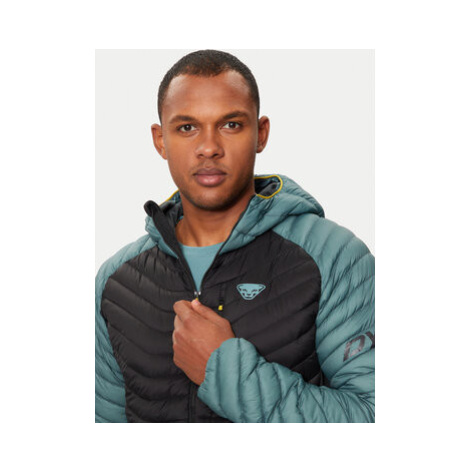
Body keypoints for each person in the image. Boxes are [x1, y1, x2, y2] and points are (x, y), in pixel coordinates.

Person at [95, 49, 375, 423]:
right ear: (160, 140)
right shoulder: (116, 281)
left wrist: (225, 371)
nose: (209, 147)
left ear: (261, 134)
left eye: (230, 124)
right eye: (187, 127)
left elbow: (372, 416)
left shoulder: (334, 256)